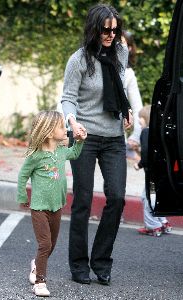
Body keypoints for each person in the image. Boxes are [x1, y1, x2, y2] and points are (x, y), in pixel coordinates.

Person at [61, 3, 133, 285]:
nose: (111, 35)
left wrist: (125, 109)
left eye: (115, 30)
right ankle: (78, 264)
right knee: (83, 200)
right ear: (94, 29)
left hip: (114, 137)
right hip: (84, 135)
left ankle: (101, 261)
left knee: (116, 198)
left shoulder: (120, 52)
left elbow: (118, 86)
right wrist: (72, 122)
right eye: (105, 30)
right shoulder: (78, 60)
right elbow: (68, 97)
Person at [17, 110, 87, 297]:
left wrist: (79, 141)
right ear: (49, 133)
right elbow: (23, 176)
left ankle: (35, 266)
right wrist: (22, 196)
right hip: (39, 207)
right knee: (45, 244)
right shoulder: (36, 156)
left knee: (52, 244)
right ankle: (40, 282)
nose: (65, 129)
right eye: (61, 127)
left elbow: (74, 153)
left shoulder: (61, 151)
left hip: (56, 206)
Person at [134, 105, 172, 237]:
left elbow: (146, 153)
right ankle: (163, 222)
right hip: (162, 173)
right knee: (157, 197)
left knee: (147, 198)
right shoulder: (161, 132)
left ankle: (153, 226)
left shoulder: (146, 132)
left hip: (151, 173)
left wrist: (139, 164)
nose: (139, 121)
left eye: (141, 118)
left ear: (147, 119)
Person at [122, 31, 143, 160]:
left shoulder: (129, 74)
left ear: (129, 48)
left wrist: (136, 136)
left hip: (116, 142)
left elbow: (138, 109)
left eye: (122, 43)